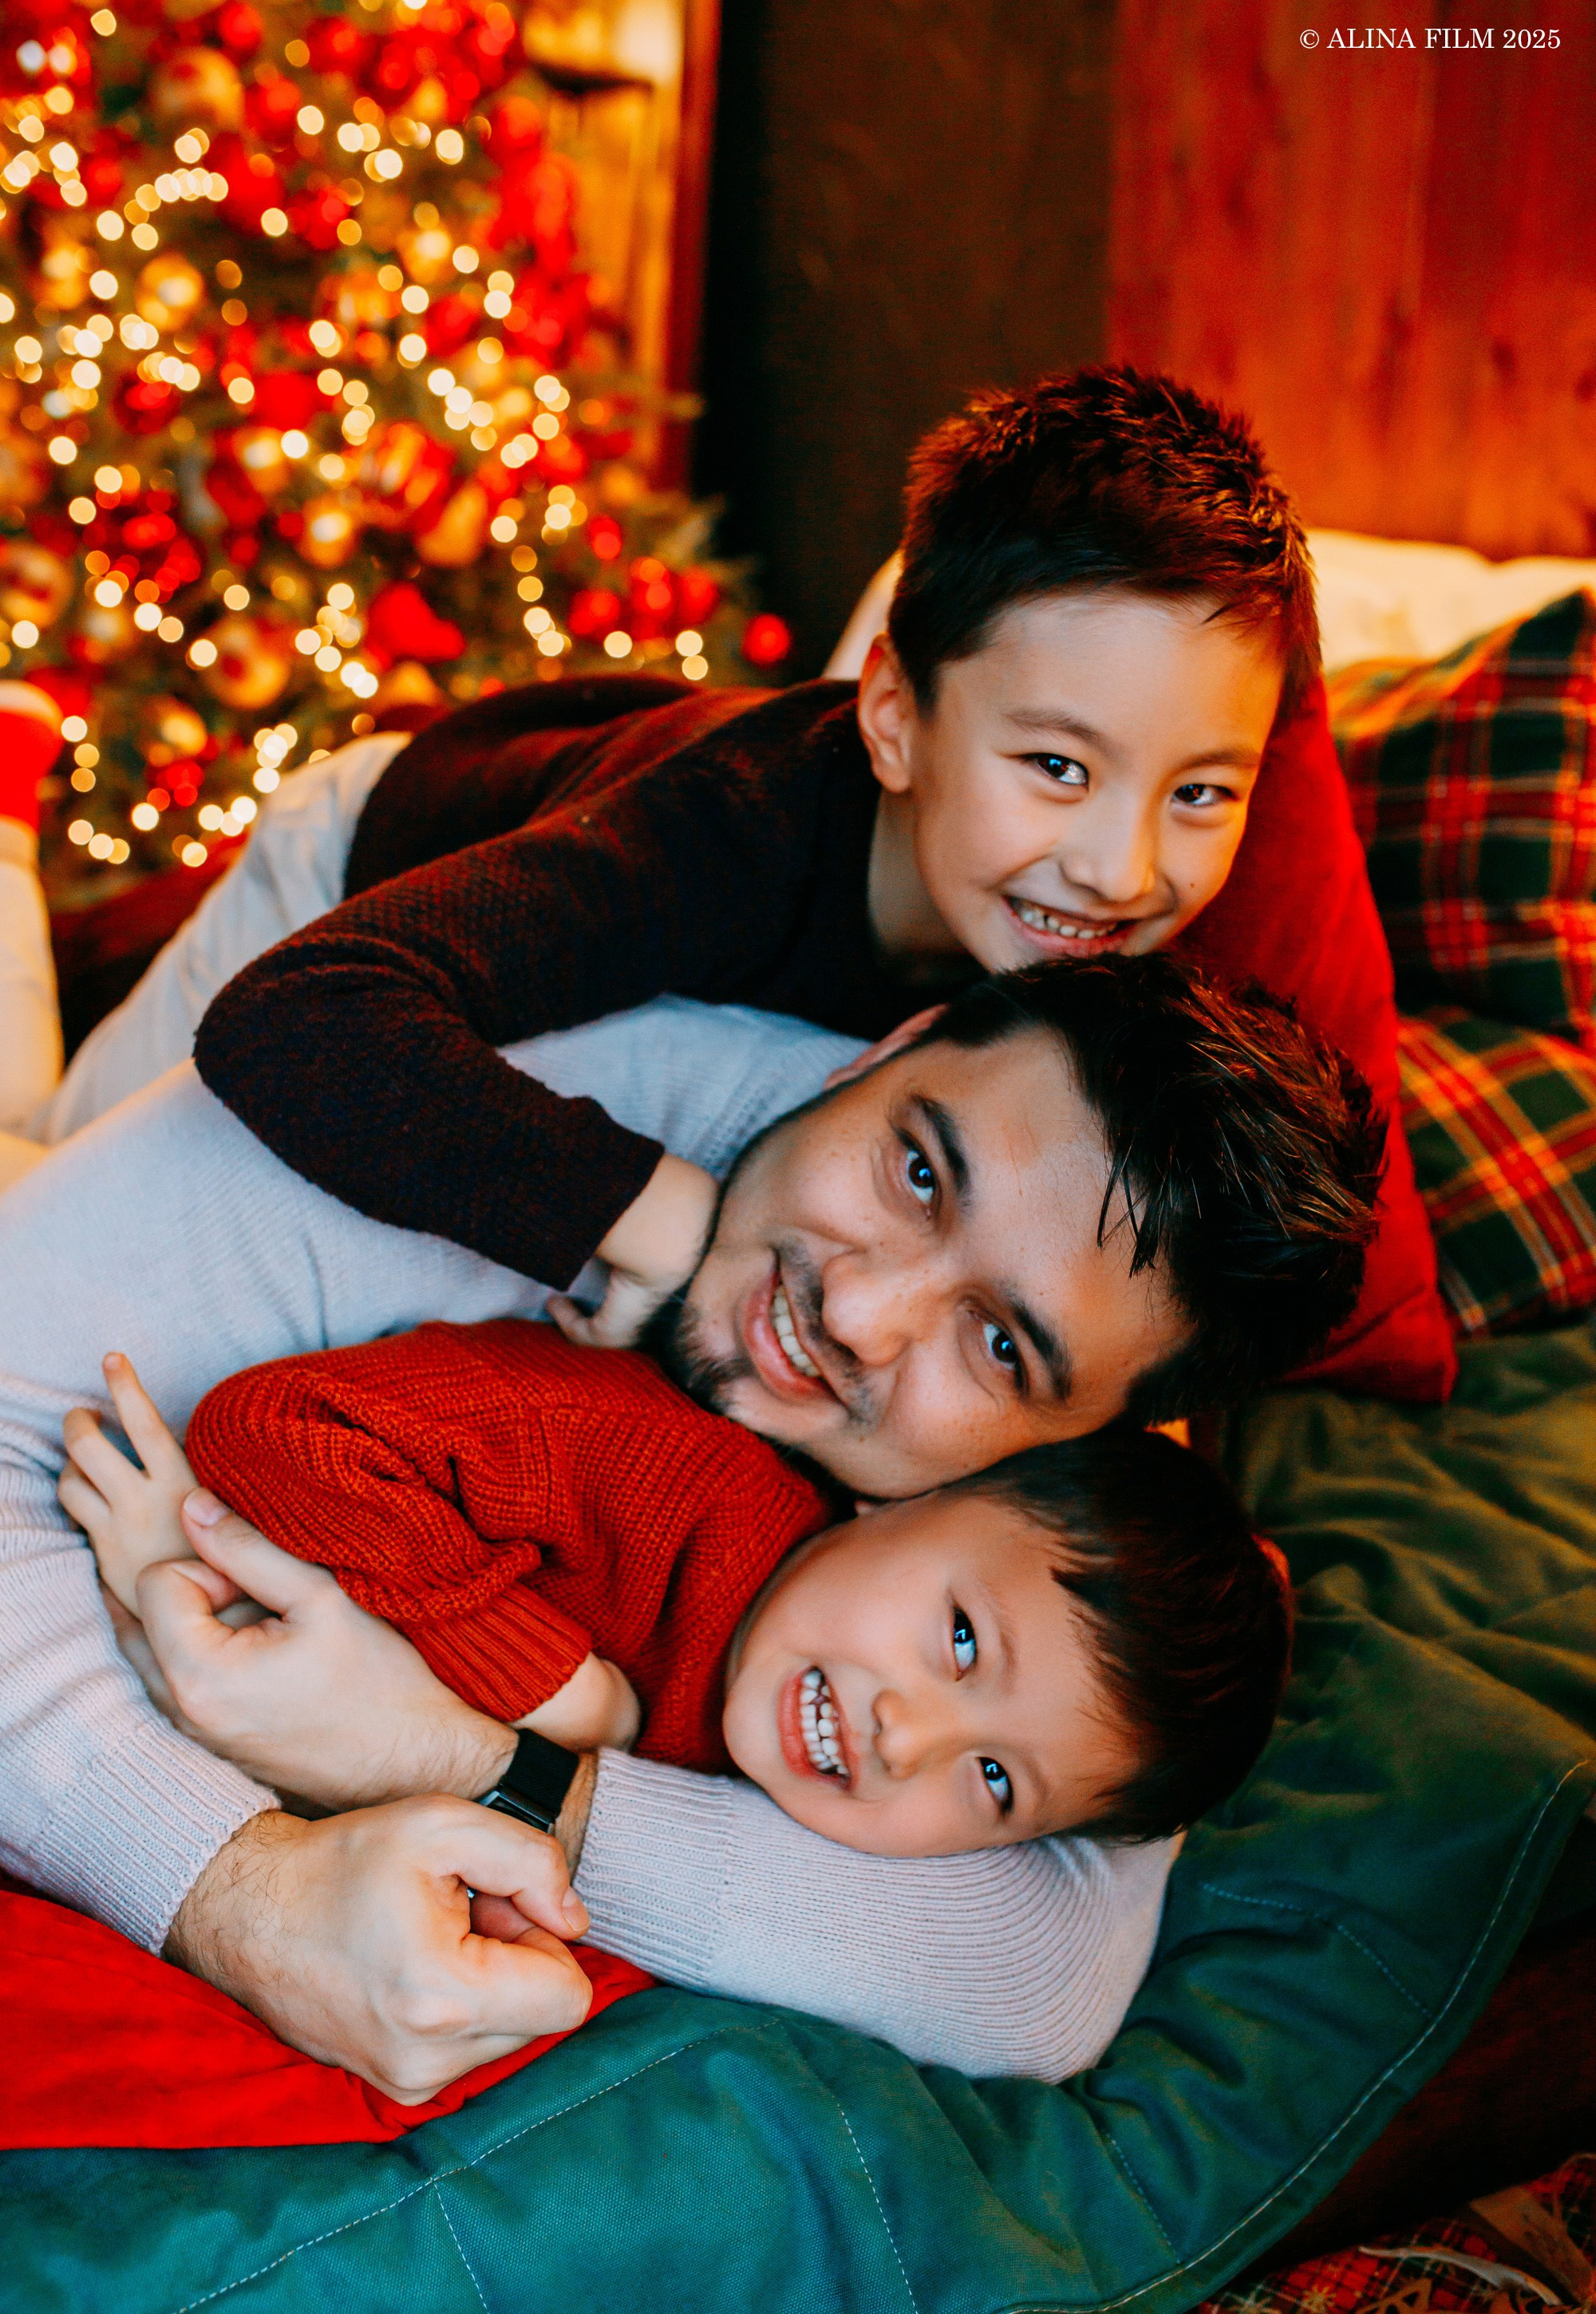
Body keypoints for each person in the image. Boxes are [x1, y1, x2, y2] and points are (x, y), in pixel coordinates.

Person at [0, 957, 1379, 2098]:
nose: (857, 1313)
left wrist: (457, 1754)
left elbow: (1044, 1977)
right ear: (880, 1050)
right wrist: (234, 1888)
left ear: (1093, 1439)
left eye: (1003, 1347)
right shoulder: (505, 1088)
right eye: (915, 1172)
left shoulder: (1069, 1529)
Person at [0, 367, 1451, 1395]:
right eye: (1058, 768)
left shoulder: (1110, 944)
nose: (1124, 868)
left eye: (1200, 793)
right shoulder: (732, 839)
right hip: (369, 864)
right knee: (53, 1175)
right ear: (892, 716)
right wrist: (650, 1212)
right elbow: (297, 1019)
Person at [61, 1326, 1290, 1875]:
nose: (905, 1736)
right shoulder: (663, 1477)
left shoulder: (763, 1802)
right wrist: (546, 1684)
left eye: (994, 1784)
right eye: (961, 1639)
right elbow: (280, 1425)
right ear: (910, 1490)